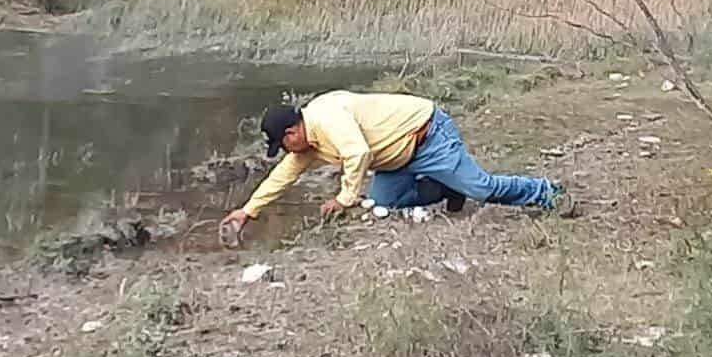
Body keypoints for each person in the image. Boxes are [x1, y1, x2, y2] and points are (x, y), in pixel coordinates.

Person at [220, 90, 573, 238]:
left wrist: (345, 199)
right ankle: (445, 186)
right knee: (385, 203)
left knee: (481, 187)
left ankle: (547, 193)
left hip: (427, 134)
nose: (285, 152)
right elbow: (281, 178)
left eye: (283, 143)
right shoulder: (303, 146)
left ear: (293, 130)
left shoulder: (326, 117)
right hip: (393, 157)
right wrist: (248, 211)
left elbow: (357, 153)